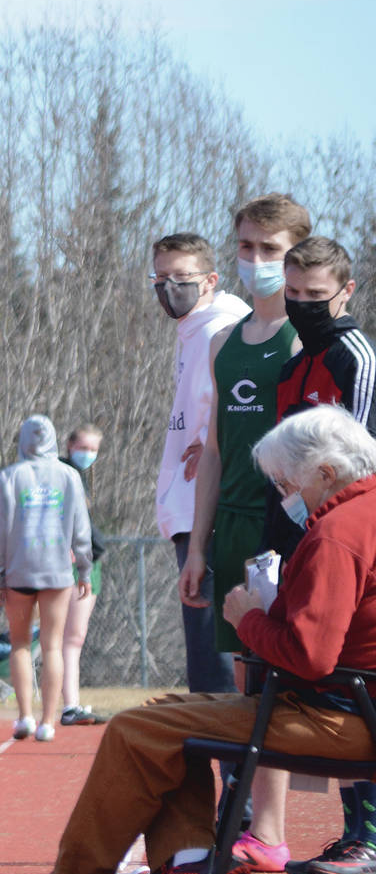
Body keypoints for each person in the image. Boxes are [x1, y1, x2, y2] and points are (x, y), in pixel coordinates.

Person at [0, 405, 376, 874]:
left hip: (338, 716)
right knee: (163, 718)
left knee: (133, 730)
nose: (288, 496)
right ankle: (188, 864)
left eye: (288, 483)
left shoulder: (338, 531)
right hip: (348, 706)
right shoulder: (361, 515)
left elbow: (310, 656)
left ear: (325, 473)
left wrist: (249, 619)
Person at [260, 234, 376, 874]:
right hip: (297, 535)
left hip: (346, 536)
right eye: (293, 294)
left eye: (316, 295)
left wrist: (318, 528)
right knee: (326, 685)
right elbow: (283, 463)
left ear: (346, 291)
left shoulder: (355, 356)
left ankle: (369, 834)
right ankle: (354, 830)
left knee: (357, 677)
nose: (303, 305)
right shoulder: (293, 366)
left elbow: (353, 457)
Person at [180, 197, 308, 682]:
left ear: (297, 254)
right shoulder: (222, 341)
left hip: (285, 526)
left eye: (270, 248)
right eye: (246, 246)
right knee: (243, 678)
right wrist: (197, 548)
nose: (255, 260)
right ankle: (242, 764)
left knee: (288, 673)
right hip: (231, 528)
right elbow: (214, 450)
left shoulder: (303, 339)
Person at [153, 233, 249, 695]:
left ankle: (234, 765)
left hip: (208, 504)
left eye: (182, 278)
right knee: (204, 651)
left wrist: (214, 442)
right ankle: (227, 759)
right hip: (187, 503)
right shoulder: (193, 328)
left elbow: (237, 408)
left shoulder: (220, 328)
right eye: (161, 278)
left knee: (216, 651)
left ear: (211, 280)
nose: (170, 288)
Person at [0, 415, 94, 742]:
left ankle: (25, 717)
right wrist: (84, 568)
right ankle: (48, 721)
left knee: (19, 644)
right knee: (52, 646)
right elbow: (81, 527)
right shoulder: (69, 476)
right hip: (57, 571)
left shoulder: (10, 476)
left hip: (19, 569)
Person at [56, 426, 106, 727]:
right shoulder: (62, 473)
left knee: (74, 637)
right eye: (82, 447)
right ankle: (66, 705)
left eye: (93, 450)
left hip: (87, 560)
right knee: (65, 639)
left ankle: (70, 703)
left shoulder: (81, 477)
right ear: (69, 444)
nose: (87, 454)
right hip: (70, 563)